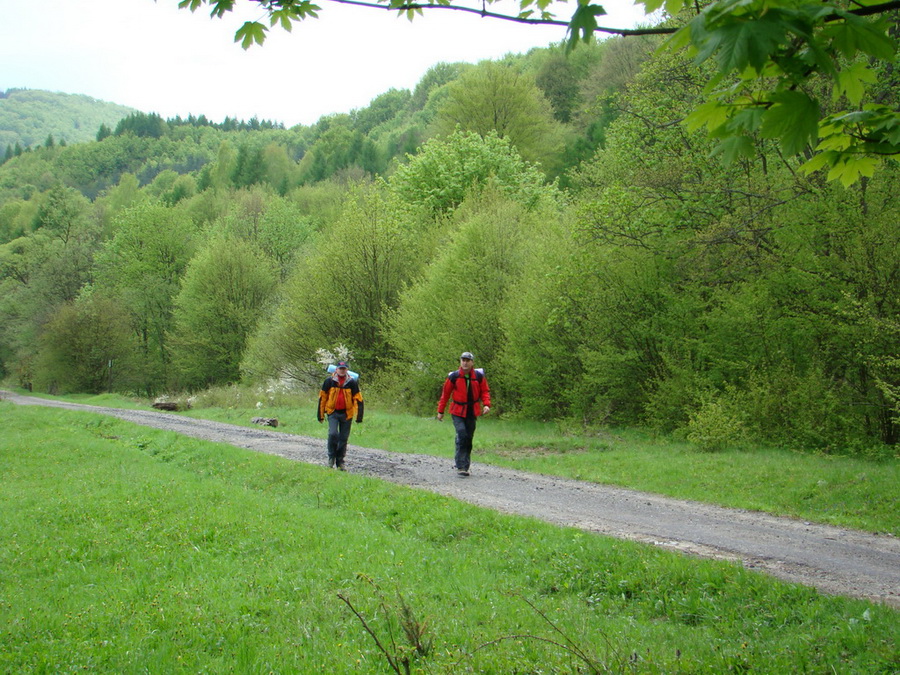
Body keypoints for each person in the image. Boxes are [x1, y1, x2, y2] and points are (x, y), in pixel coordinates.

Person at [437, 351, 491, 477]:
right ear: (460, 362)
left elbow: (485, 391)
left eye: (467, 360)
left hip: (472, 411)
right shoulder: (454, 377)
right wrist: (440, 411)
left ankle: (466, 466)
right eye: (463, 360)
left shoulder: (478, 376)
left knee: (468, 438)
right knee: (462, 434)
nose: (465, 363)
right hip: (457, 411)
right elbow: (445, 395)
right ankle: (460, 466)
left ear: (472, 362)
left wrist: (487, 404)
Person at [318, 361, 364, 470]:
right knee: (333, 434)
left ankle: (340, 462)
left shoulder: (352, 383)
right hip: (332, 412)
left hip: (346, 414)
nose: (342, 370)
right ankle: (331, 458)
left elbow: (358, 399)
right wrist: (320, 415)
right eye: (340, 368)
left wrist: (359, 416)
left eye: (344, 369)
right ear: (336, 370)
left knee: (343, 438)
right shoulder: (329, 381)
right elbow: (322, 398)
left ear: (347, 370)